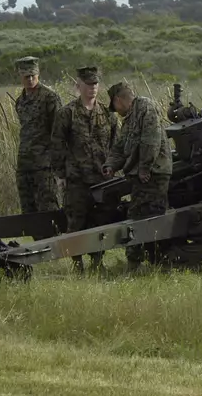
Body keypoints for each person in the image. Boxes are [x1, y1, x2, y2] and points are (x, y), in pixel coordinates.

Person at [51, 66, 119, 274]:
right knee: (76, 221)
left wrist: (114, 168)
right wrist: (59, 175)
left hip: (102, 178)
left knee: (100, 222)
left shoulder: (108, 114)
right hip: (77, 179)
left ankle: (97, 261)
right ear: (78, 85)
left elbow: (117, 144)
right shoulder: (67, 113)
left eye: (95, 84)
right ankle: (77, 264)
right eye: (88, 84)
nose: (92, 88)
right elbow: (56, 144)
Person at [102, 81, 172, 272]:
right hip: (144, 175)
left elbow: (151, 139)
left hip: (154, 174)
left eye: (114, 107)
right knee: (141, 217)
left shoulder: (145, 106)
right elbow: (120, 147)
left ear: (118, 100)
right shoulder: (129, 120)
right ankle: (151, 263)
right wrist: (110, 166)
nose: (116, 111)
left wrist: (144, 169)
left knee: (144, 218)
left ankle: (147, 265)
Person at [13, 56, 62, 215]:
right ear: (21, 76)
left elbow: (59, 132)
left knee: (48, 210)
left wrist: (57, 164)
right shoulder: (20, 101)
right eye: (26, 76)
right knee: (28, 211)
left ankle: (52, 240)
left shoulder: (50, 98)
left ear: (38, 74)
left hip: (44, 165)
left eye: (33, 75)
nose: (30, 79)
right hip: (25, 164)